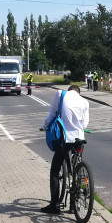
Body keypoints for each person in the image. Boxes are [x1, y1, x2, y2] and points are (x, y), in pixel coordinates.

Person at [40, 85, 89, 214]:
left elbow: (52, 114)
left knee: (55, 170)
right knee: (77, 168)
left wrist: (44, 126)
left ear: (70, 90)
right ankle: (74, 206)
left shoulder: (61, 94)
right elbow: (84, 124)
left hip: (65, 138)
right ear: (78, 92)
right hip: (79, 138)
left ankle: (54, 205)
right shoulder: (85, 102)